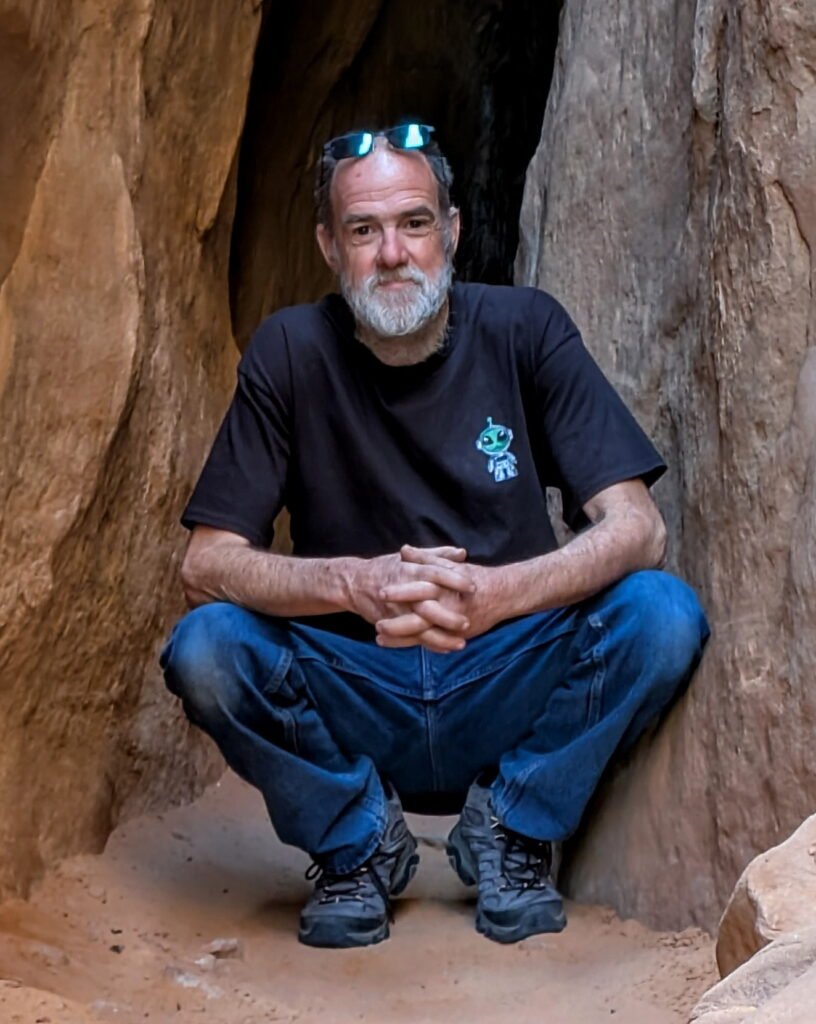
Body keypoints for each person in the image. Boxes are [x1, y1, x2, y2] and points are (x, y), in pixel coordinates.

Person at [160, 122, 709, 949]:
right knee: (205, 649)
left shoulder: (525, 329)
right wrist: (352, 584)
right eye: (363, 230)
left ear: (451, 231)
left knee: (661, 615)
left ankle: (512, 826)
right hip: (354, 684)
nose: (392, 253)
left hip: (506, 671)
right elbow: (205, 562)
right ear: (327, 245)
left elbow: (638, 526)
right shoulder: (290, 351)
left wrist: (496, 597)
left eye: (414, 223)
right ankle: (358, 844)